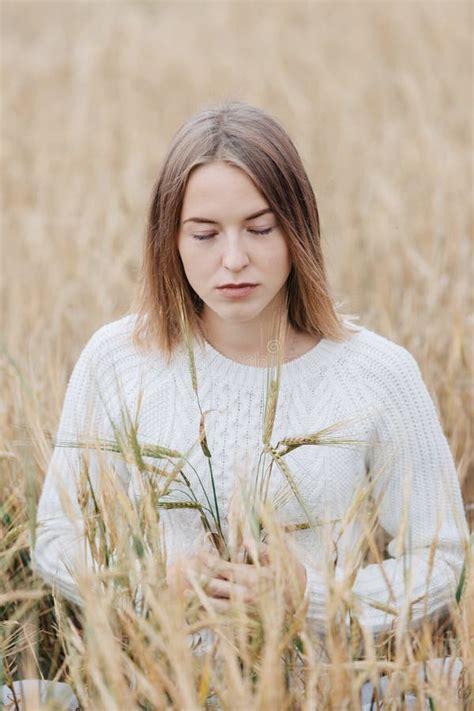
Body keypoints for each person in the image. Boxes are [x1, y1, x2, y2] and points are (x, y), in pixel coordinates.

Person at [33, 101, 469, 660]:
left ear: (298, 231)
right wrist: (151, 586)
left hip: (325, 685)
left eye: (260, 228)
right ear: (170, 240)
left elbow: (442, 558)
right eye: (205, 234)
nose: (234, 259)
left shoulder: (378, 373)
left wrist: (314, 597)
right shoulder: (118, 359)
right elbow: (56, 537)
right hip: (156, 683)